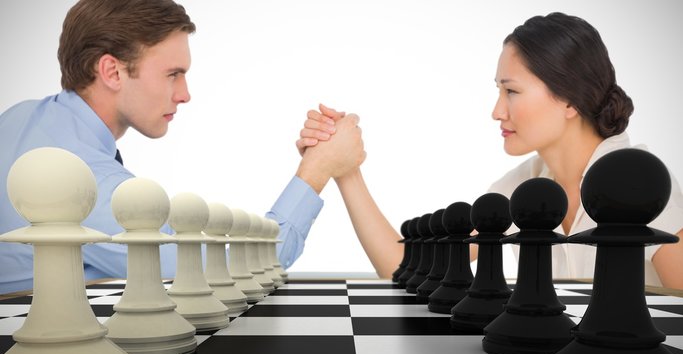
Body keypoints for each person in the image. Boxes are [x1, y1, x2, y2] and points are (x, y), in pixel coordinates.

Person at [0, 0, 364, 294]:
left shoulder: (19, 119)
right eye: (173, 74)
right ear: (111, 71)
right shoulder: (82, 183)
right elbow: (238, 272)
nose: (185, 94)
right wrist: (318, 169)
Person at [299, 12, 683, 289]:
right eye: (498, 91)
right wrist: (345, 170)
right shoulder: (522, 187)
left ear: (570, 100)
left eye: (511, 91)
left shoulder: (643, 183)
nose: (497, 111)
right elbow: (404, 268)